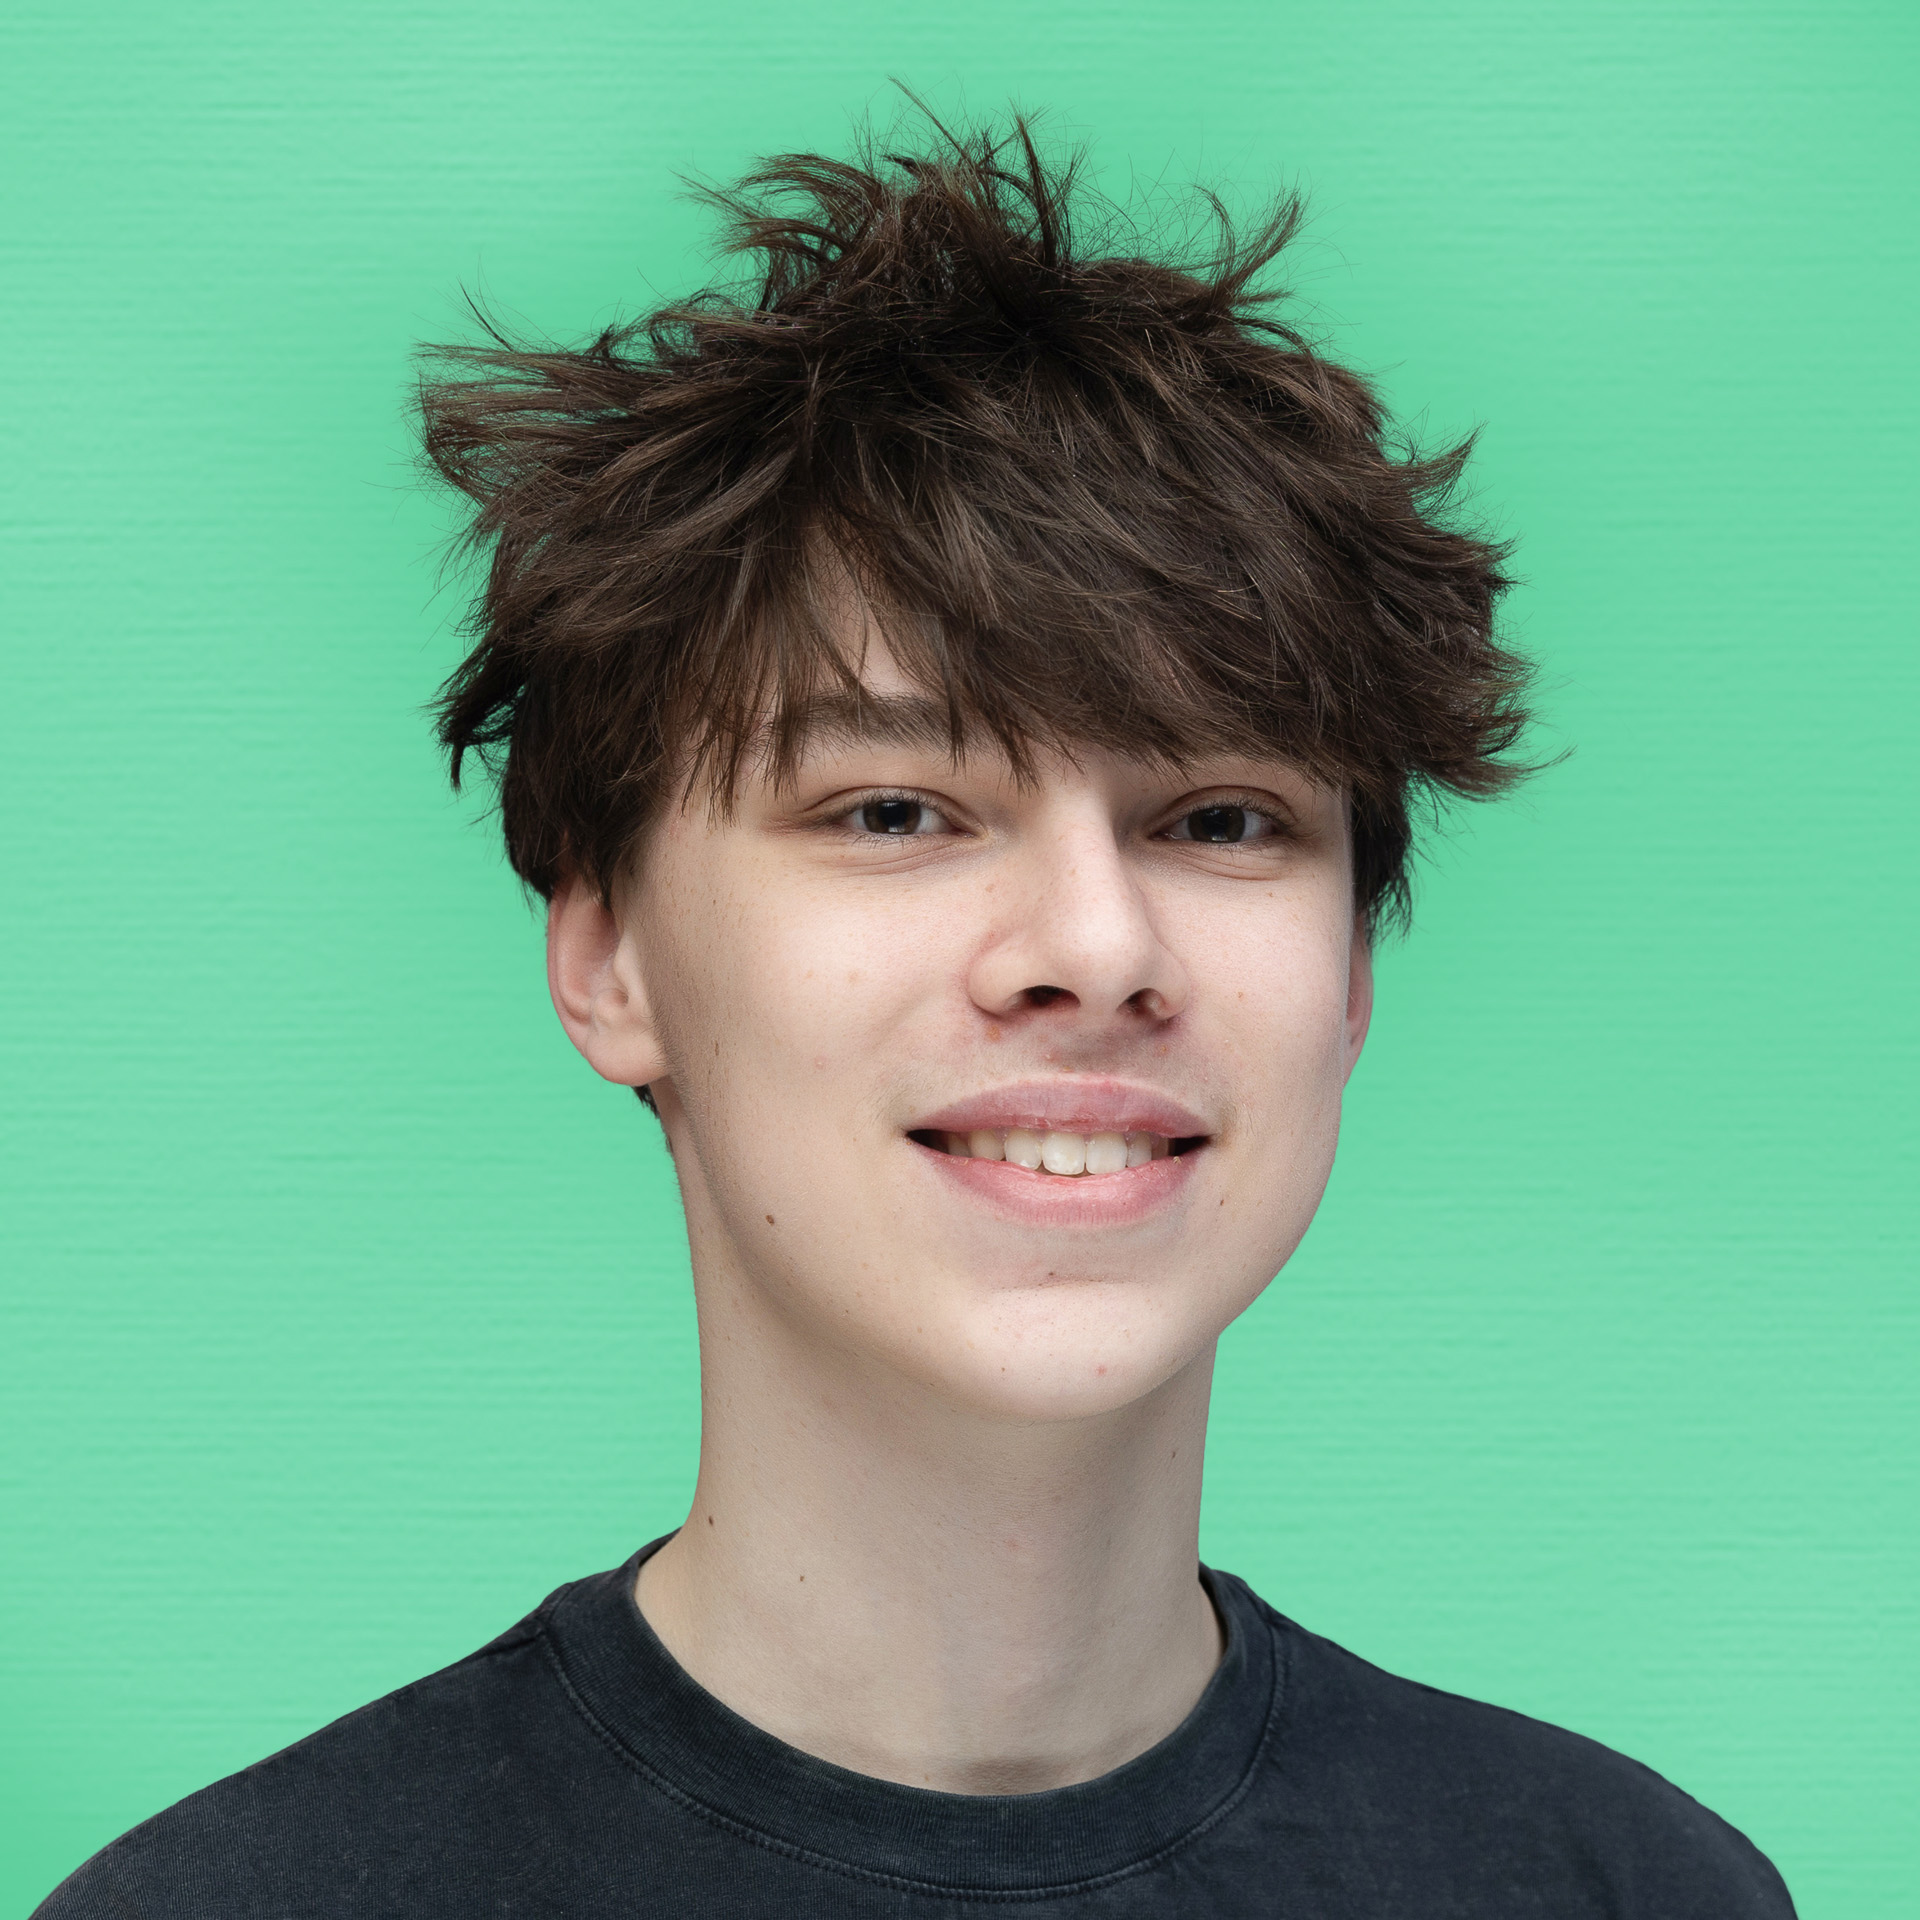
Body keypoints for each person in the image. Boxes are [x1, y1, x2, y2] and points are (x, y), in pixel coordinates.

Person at [36, 112, 1796, 1917]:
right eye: (894, 812)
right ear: (609, 958)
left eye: (1222, 820)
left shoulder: (1629, 1887)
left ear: (1350, 976)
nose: (1097, 948)